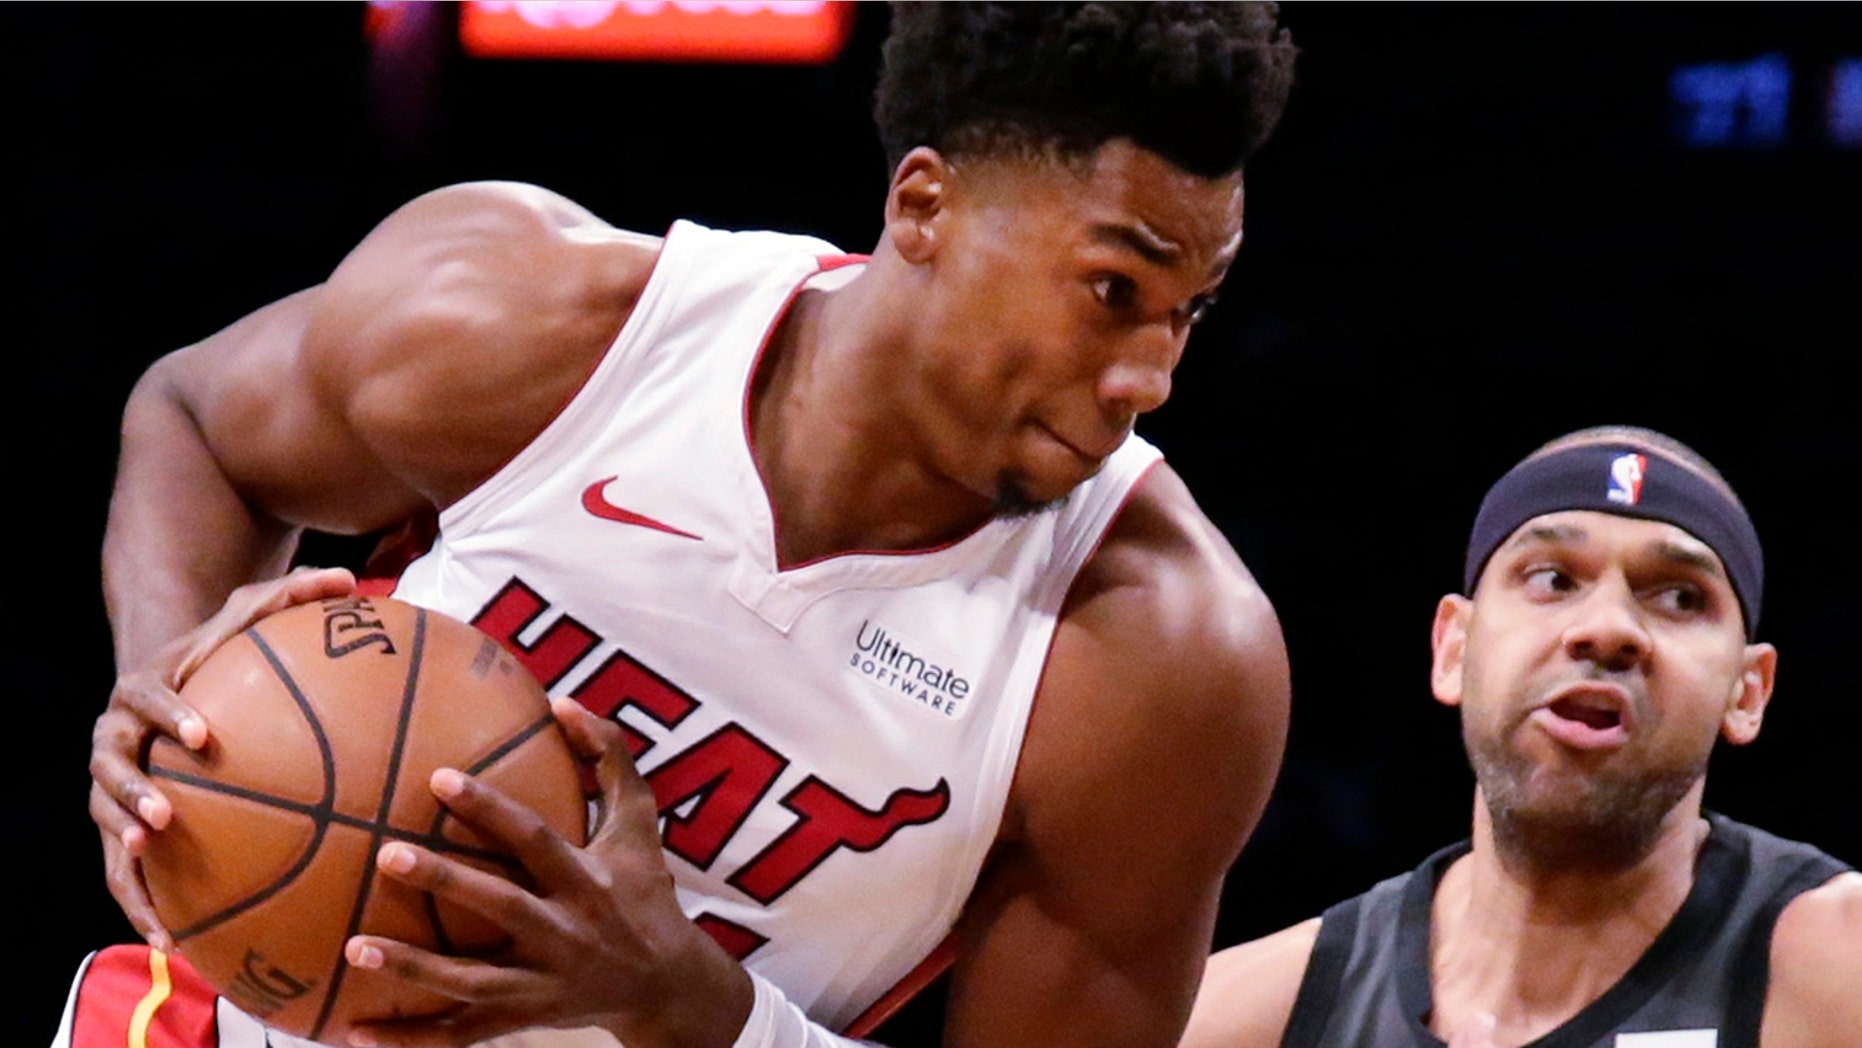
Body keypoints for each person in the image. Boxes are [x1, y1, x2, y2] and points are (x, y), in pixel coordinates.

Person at [65, 4, 1299, 1048]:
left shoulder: (1160, 661)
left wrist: (699, 1011)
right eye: (1111, 291)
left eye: (1187, 310)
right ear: (922, 206)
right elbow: (194, 422)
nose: (1149, 373)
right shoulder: (540, 328)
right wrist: (159, 706)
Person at [1181, 426, 1862, 1048]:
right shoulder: (1244, 1016)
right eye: (1553, 579)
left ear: (1748, 693)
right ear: (1454, 648)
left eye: (1680, 597)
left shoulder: (1838, 969)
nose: (1607, 628)